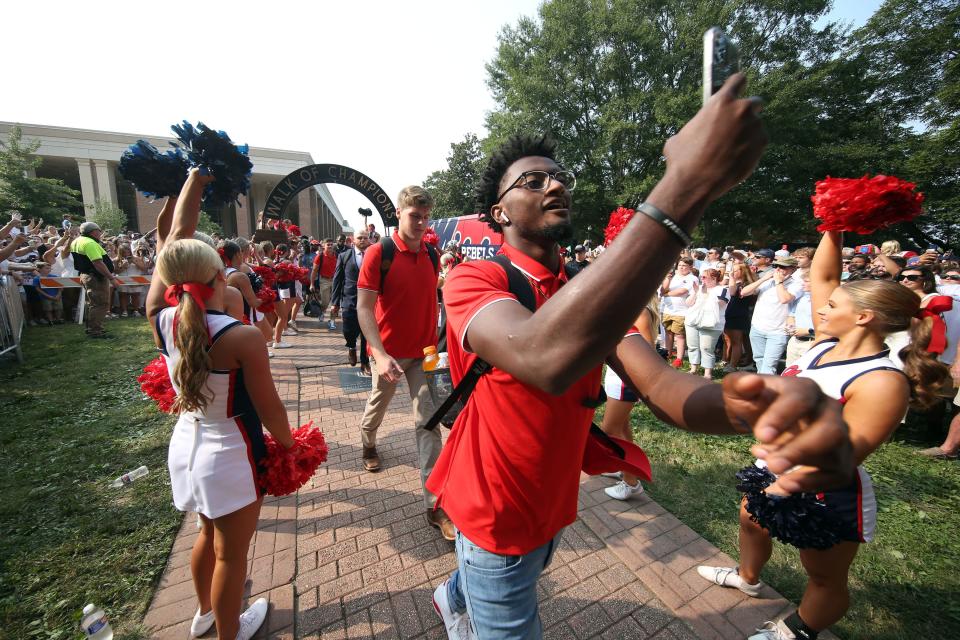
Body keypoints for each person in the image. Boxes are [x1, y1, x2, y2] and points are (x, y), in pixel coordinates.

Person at [428, 75, 855, 640]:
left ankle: (451, 596)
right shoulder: (472, 277)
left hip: (551, 498)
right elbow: (542, 356)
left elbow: (662, 387)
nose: (554, 185)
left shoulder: (583, 287)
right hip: (493, 506)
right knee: (505, 599)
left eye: (560, 176)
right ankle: (464, 602)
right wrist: (686, 184)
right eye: (532, 180)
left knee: (511, 573)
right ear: (498, 213)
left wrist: (754, 403)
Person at [697, 229, 950, 640]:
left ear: (864, 317)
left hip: (824, 490)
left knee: (824, 577)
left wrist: (781, 443)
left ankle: (797, 630)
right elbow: (823, 277)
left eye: (832, 306)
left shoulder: (882, 381)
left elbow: (846, 454)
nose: (820, 307)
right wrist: (835, 222)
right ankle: (748, 578)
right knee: (750, 520)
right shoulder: (823, 344)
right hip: (773, 468)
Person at [355, 185, 451, 540]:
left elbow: (433, 295)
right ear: (399, 213)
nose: (422, 223)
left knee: (428, 422)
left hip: (424, 355)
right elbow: (364, 308)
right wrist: (379, 355)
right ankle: (368, 441)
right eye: (415, 216)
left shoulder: (430, 253)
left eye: (426, 217)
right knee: (377, 405)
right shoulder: (380, 253)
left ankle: (435, 504)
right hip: (389, 355)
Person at [600, 296, 659, 500]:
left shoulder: (640, 311)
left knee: (609, 430)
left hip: (626, 379)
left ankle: (631, 482)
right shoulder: (625, 306)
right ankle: (623, 468)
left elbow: (648, 349)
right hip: (615, 374)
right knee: (623, 429)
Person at [741, 256, 803, 374]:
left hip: (778, 331)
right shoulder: (768, 281)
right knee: (759, 361)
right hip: (757, 328)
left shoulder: (796, 284)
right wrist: (763, 279)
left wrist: (779, 282)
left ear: (793, 269)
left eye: (783, 267)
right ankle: (761, 387)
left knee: (769, 365)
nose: (779, 269)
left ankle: (767, 390)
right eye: (776, 266)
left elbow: (784, 299)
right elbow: (744, 292)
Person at [71, 221, 122, 338]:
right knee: (101, 303)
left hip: (87, 275)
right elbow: (97, 263)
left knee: (94, 304)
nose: (100, 233)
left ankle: (93, 329)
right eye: (99, 231)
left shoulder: (77, 241)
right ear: (93, 232)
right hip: (95, 277)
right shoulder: (89, 243)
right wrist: (111, 278)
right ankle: (95, 331)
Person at [331, 229, 371, 375]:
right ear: (353, 240)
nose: (362, 240)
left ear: (368, 240)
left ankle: (365, 362)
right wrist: (334, 302)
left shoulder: (374, 255)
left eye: (365, 238)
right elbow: (337, 280)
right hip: (349, 299)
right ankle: (351, 347)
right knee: (348, 329)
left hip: (368, 300)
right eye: (359, 238)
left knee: (367, 331)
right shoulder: (344, 256)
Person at [684, 267, 729, 378]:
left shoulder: (723, 289)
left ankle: (707, 373)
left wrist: (705, 295)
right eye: (701, 277)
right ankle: (693, 368)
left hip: (711, 325)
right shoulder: (699, 288)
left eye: (704, 277)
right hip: (692, 321)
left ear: (713, 278)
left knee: (706, 348)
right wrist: (695, 293)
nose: (701, 279)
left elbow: (719, 305)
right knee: (692, 346)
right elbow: (688, 303)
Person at [660, 257, 699, 367]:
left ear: (690, 267)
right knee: (668, 333)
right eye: (680, 265)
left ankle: (679, 358)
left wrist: (666, 294)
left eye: (684, 266)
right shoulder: (674, 276)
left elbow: (682, 291)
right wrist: (667, 278)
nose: (681, 267)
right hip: (667, 309)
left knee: (679, 335)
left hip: (681, 312)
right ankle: (667, 353)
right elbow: (663, 289)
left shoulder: (692, 278)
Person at [311, 238, 338, 330]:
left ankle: (332, 321)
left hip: (335, 280)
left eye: (331, 244)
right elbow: (314, 271)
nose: (330, 246)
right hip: (324, 281)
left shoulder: (337, 255)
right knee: (325, 302)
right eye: (328, 244)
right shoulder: (320, 256)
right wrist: (312, 284)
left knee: (335, 302)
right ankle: (322, 312)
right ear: (324, 246)